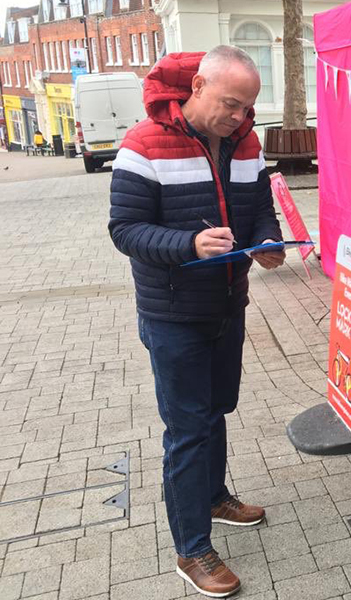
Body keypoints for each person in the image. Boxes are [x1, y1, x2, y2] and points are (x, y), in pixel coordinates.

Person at [109, 46, 285, 598]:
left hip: (227, 306)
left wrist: (267, 241)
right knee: (187, 430)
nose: (239, 116)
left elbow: (259, 204)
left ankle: (213, 495)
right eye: (231, 104)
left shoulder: (246, 141)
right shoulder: (142, 143)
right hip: (173, 315)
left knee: (217, 410)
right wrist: (188, 244)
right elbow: (126, 230)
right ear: (200, 86)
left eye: (248, 107)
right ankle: (192, 549)